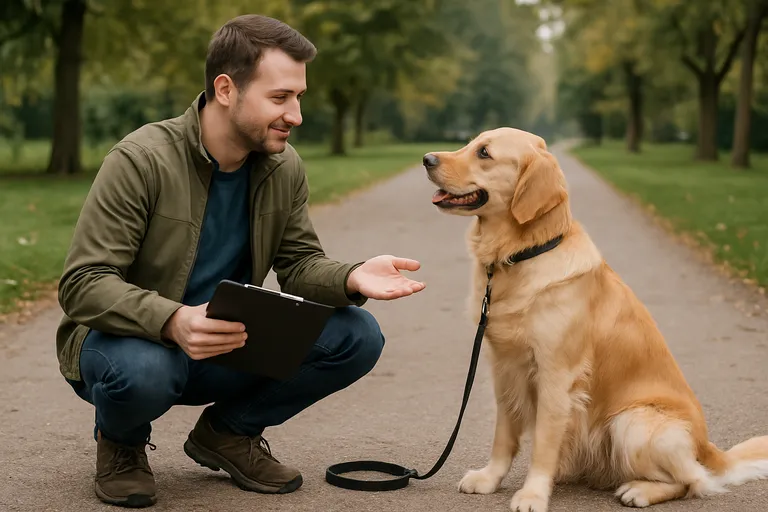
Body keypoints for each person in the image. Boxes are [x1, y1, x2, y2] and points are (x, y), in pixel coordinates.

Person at [56, 14, 426, 508]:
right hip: (131, 346)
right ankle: (121, 444)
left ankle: (228, 433)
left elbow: (300, 265)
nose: (295, 114)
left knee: (357, 335)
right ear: (225, 89)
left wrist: (351, 277)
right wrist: (172, 319)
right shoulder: (141, 159)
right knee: (145, 372)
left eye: (298, 97)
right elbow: (83, 282)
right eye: (280, 98)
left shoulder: (283, 166)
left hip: (224, 343)